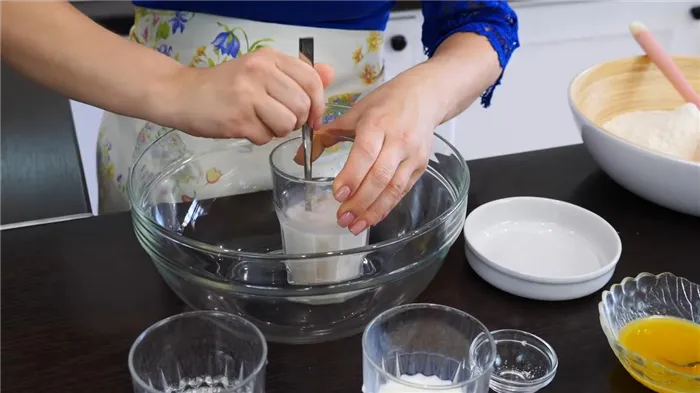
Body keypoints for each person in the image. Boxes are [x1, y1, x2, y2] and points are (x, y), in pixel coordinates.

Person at [1, 0, 519, 235]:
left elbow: (483, 22)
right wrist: (179, 87)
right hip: (159, 148)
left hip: (341, 164)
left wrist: (422, 94)